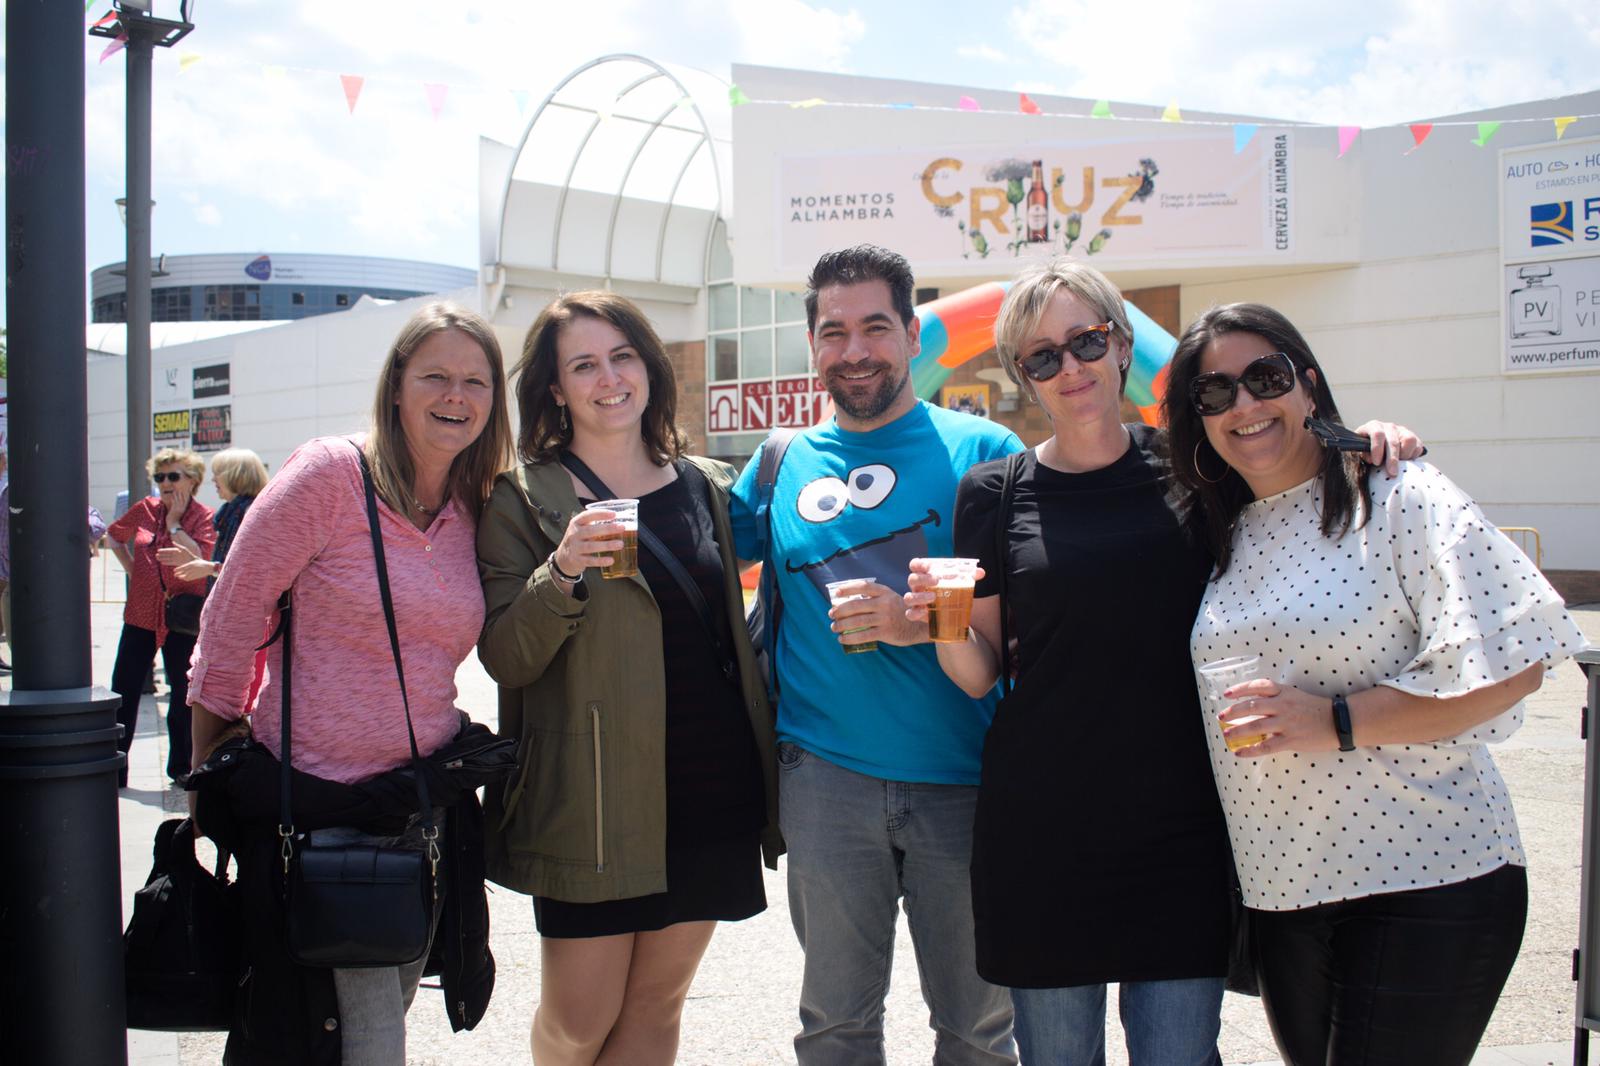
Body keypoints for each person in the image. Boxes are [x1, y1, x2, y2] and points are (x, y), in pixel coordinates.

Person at [904, 260, 1421, 1065]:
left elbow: (1290, 465)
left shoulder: (1198, 470)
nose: (1069, 368)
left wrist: (1369, 436)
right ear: (1022, 376)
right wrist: (940, 624)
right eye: (1043, 357)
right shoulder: (994, 492)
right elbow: (980, 673)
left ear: (1118, 343)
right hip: (1041, 836)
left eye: (1085, 342)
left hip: (1181, 827)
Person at [1163, 302, 1587, 1066]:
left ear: (1310, 386)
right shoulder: (1219, 529)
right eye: (1215, 393)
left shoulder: (1395, 494)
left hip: (1427, 874)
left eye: (1266, 378)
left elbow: (1520, 657)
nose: (1245, 405)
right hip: (1284, 892)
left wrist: (1336, 722)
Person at [185, 302, 514, 1064]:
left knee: (371, 1015)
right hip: (318, 810)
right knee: (358, 1037)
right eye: (434, 374)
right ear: (397, 384)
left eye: (475, 380)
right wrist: (210, 782)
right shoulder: (331, 476)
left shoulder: (477, 503)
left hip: (421, 806)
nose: (455, 395)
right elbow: (231, 620)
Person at [730, 245, 1021, 1065]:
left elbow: (1019, 633)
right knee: (834, 1026)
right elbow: (688, 551)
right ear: (812, 343)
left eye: (875, 328)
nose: (854, 351)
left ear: (915, 333)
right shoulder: (778, 463)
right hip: (822, 782)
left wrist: (915, 623)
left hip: (964, 783)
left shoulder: (985, 452)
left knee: (976, 1029)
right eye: (833, 332)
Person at [477, 291, 778, 1066]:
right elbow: (507, 657)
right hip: (593, 791)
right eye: (584, 364)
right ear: (554, 387)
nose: (608, 377)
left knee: (657, 1002)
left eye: (622, 356)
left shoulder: (705, 482)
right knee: (579, 1018)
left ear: (648, 365)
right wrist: (564, 570)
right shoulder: (523, 497)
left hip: (710, 778)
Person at [105, 447, 214, 787]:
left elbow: (200, 557)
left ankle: (180, 767)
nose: (166, 483)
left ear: (193, 480)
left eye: (174, 476)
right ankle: (114, 766)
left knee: (182, 692)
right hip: (141, 614)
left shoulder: (203, 516)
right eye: (160, 477)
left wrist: (174, 524)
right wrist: (132, 568)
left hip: (182, 617)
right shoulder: (144, 510)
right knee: (123, 689)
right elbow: (114, 535)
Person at [158, 447, 271, 708]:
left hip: (247, 621)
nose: (213, 481)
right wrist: (202, 563)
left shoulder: (250, 512)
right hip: (230, 615)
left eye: (217, 473)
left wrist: (209, 567)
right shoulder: (231, 512)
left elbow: (250, 569)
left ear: (234, 475)